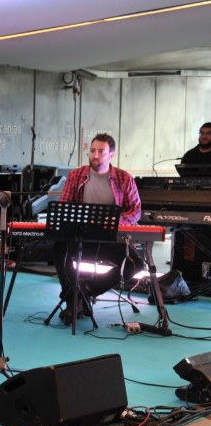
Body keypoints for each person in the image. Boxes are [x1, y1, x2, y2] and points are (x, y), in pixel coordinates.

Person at [53, 133, 143, 324]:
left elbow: (135, 211)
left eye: (101, 151)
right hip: (82, 236)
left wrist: (114, 222)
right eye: (92, 150)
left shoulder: (124, 178)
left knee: (136, 264)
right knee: (60, 247)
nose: (95, 155)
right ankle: (71, 298)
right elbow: (64, 205)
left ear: (111, 154)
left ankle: (85, 292)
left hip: (110, 237)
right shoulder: (76, 175)